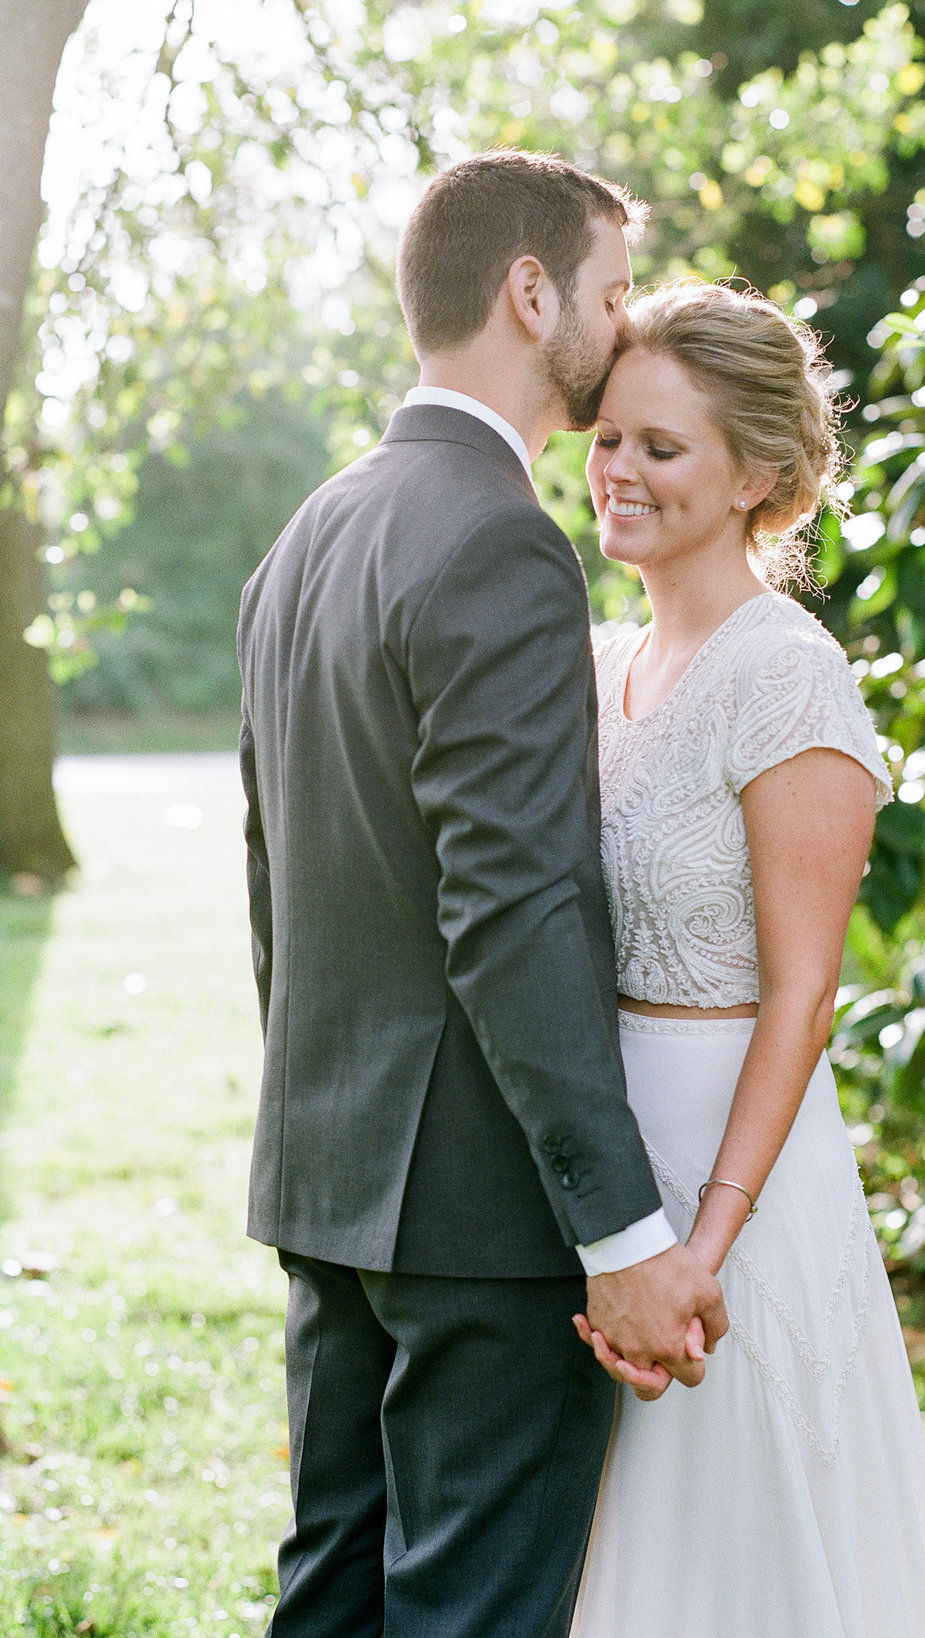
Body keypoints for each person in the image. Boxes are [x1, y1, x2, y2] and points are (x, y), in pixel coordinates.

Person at [236, 152, 727, 1638]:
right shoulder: (504, 541)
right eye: (612, 288)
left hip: (333, 1180)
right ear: (530, 293)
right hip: (481, 1216)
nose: (621, 321)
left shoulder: (308, 533)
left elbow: (277, 872)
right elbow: (510, 906)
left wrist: (327, 1117)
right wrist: (624, 1235)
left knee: (331, 1591)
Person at [570, 280, 925, 1638]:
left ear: (759, 477)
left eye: (660, 446)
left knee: (739, 1552)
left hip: (736, 1172)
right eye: (608, 434)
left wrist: (705, 1247)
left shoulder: (786, 674)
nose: (618, 470)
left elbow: (805, 994)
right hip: (604, 1164)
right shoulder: (600, 657)